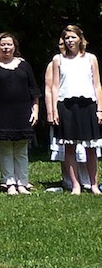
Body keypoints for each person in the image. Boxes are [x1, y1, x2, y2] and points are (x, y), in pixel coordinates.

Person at [0, 32, 40, 195]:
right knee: (6, 148)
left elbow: (34, 90)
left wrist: (35, 110)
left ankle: (23, 182)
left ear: (15, 47)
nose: (6, 48)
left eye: (9, 45)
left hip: (22, 112)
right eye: (2, 45)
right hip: (1, 113)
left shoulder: (24, 65)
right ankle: (9, 182)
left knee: (22, 149)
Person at [47, 25, 102, 194]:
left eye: (73, 37)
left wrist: (100, 109)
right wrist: (54, 110)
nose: (70, 41)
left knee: (91, 147)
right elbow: (55, 86)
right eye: (67, 38)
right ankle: (75, 185)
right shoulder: (58, 59)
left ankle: (93, 184)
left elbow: (97, 85)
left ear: (80, 38)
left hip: (88, 104)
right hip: (66, 105)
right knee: (69, 146)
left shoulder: (91, 58)